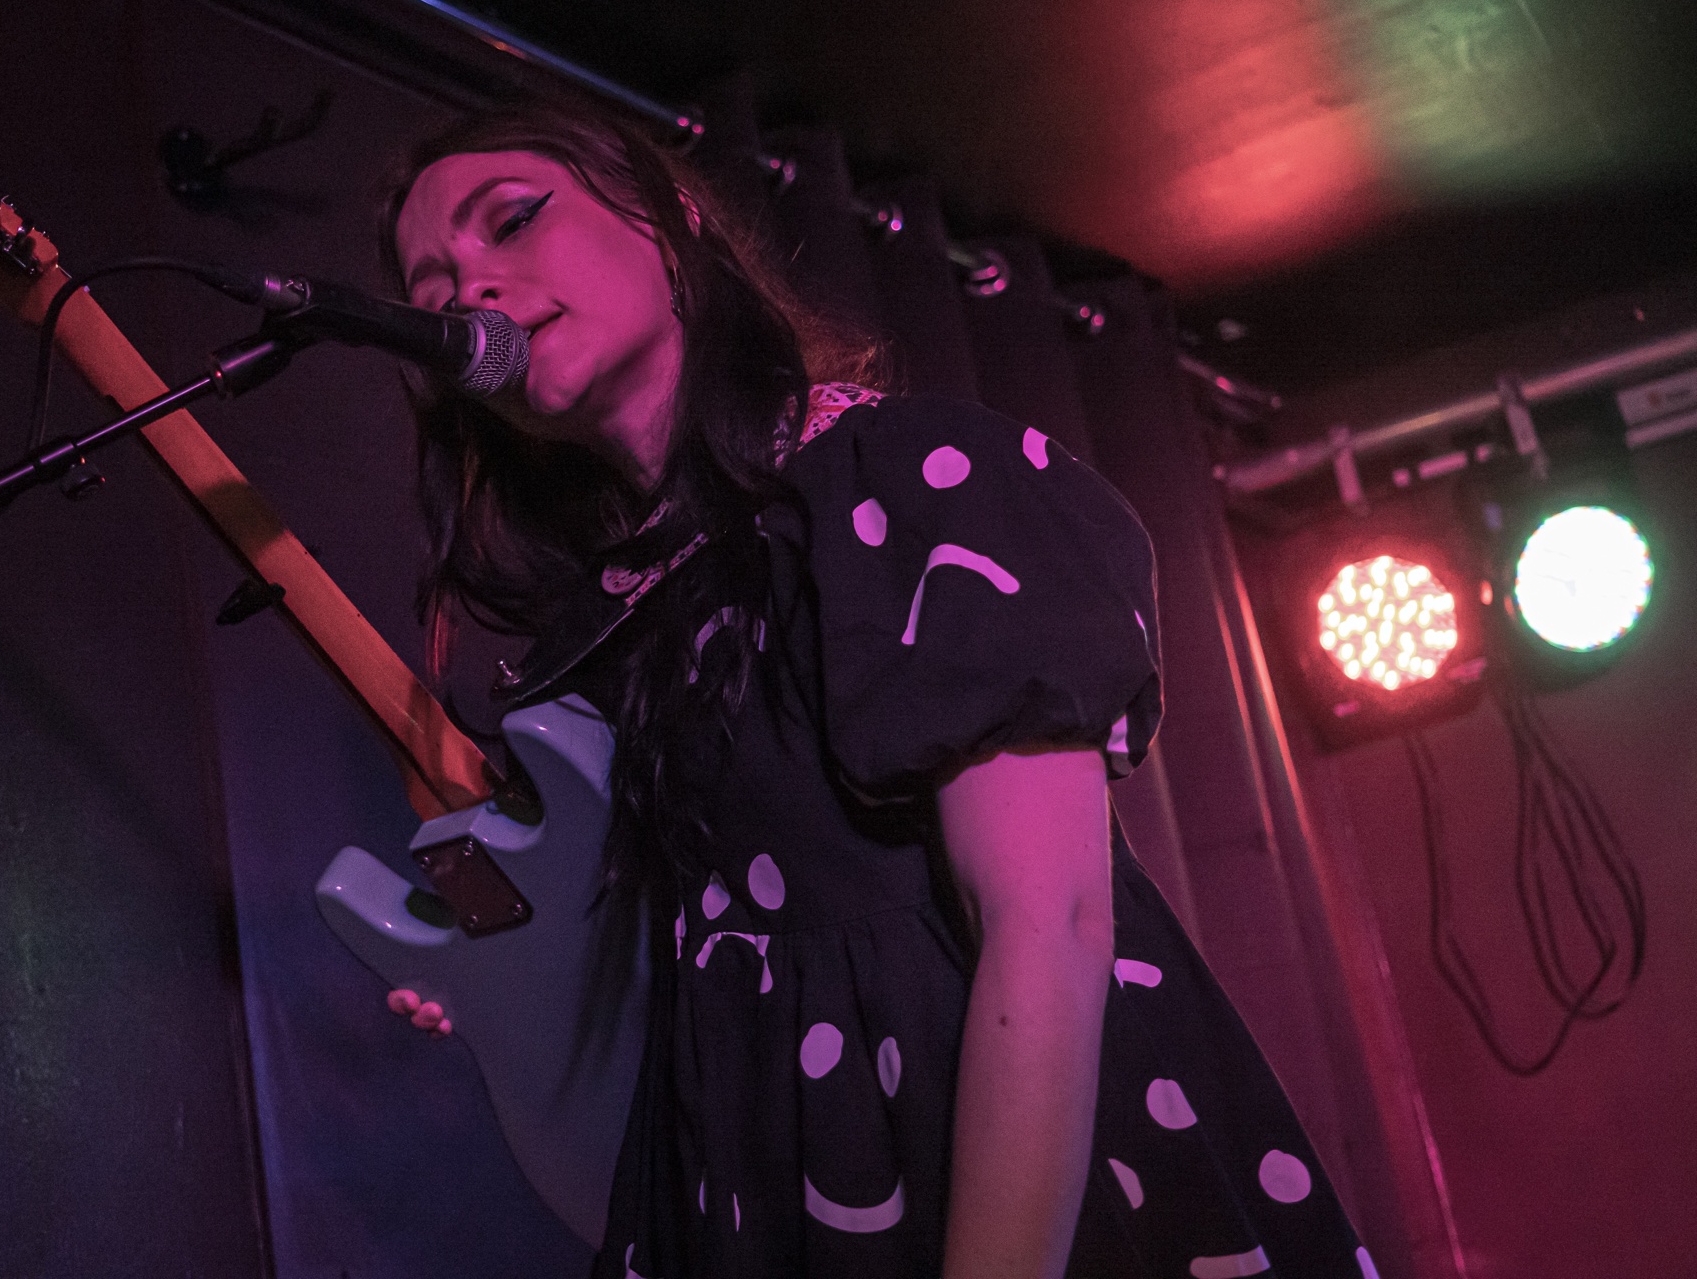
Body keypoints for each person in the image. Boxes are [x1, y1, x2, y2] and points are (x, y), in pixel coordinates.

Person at [377, 104, 1373, 1278]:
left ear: (670, 219)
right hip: (750, 1186)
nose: (471, 292)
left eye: (510, 222)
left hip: (985, 1170)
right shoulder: (615, 622)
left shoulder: (914, 481)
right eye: (433, 289)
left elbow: (1049, 922)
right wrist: (516, 998)